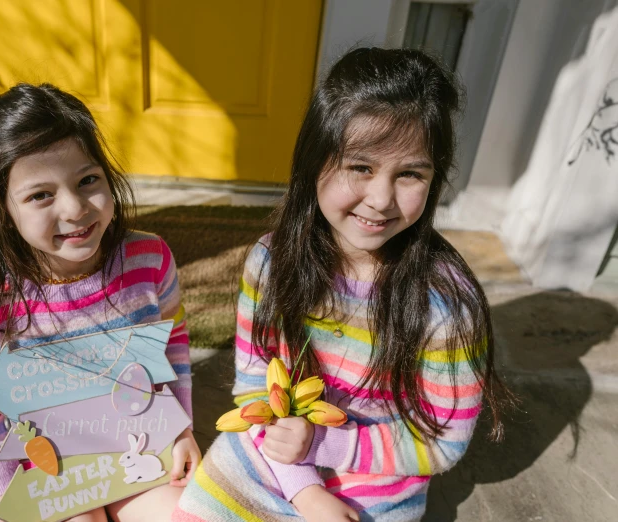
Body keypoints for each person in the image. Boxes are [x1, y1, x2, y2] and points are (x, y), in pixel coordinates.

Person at [173, 47, 511, 522]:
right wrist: (303, 487)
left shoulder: (445, 306)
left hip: (377, 483)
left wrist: (326, 444)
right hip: (270, 460)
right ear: (315, 160)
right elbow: (255, 386)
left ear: (433, 182)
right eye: (360, 167)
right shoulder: (271, 263)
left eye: (410, 173)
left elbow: (441, 441)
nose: (380, 199)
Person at [0, 83, 200, 522]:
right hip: (51, 470)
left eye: (87, 180)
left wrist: (179, 428)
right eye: (40, 195)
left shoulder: (149, 260)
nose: (75, 208)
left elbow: (171, 343)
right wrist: (7, 496)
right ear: (3, 209)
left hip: (140, 445)